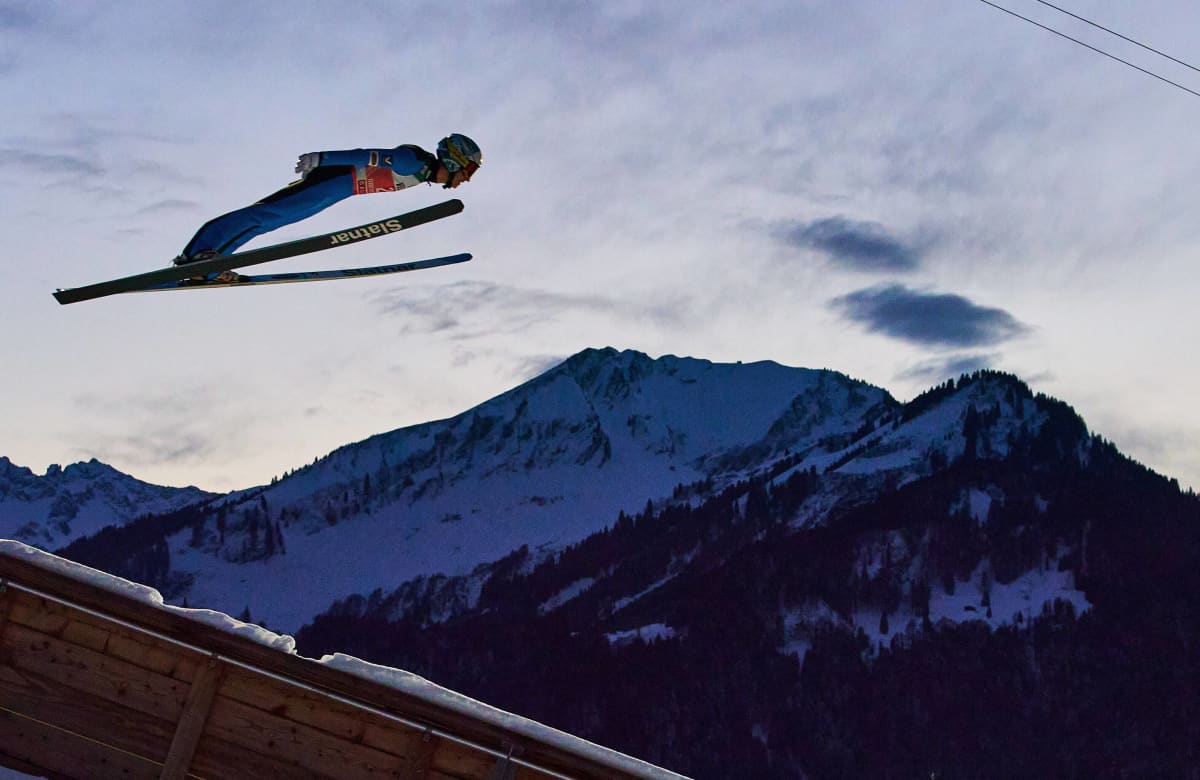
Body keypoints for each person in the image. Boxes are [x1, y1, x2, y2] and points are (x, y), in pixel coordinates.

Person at [174, 133, 482, 278]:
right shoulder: (413, 161)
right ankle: (200, 254)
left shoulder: (422, 173)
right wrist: (322, 158)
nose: (466, 179)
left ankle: (210, 265)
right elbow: (366, 155)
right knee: (268, 213)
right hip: (333, 179)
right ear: (454, 160)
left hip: (337, 191)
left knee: (270, 220)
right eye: (468, 170)